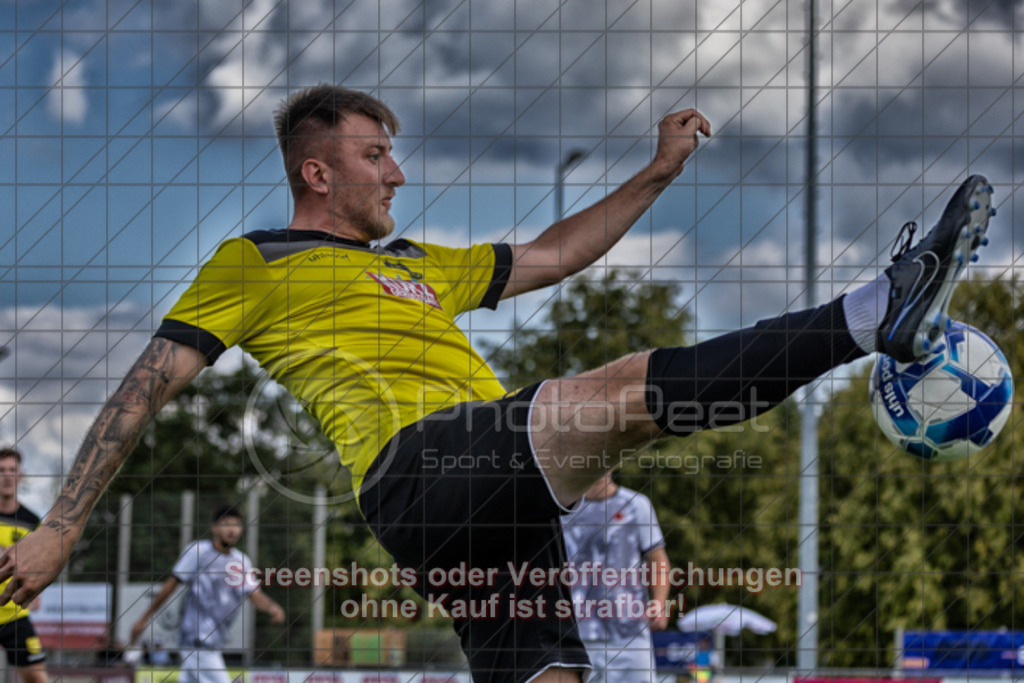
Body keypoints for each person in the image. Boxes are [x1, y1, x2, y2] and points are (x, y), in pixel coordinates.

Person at [0, 84, 995, 683]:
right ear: (315, 172)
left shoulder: (425, 265)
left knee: (547, 671)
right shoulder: (254, 259)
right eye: (374, 153)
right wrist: (62, 524)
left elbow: (556, 251)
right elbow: (146, 385)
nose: (395, 171)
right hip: (418, 465)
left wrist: (655, 173)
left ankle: (871, 314)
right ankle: (871, 312)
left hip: (499, 505)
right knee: (600, 393)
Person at [129, 505, 285, 683]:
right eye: (226, 524)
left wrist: (272, 607)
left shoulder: (241, 561)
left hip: (215, 642)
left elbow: (254, 594)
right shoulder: (199, 552)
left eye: (236, 524)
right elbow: (171, 585)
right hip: (197, 639)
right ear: (215, 528)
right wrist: (144, 618)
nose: (232, 529)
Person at [562, 472, 669, 683]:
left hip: (630, 634)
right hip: (575, 636)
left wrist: (659, 602)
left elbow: (658, 559)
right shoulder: (563, 509)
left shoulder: (636, 505)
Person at [0, 448, 47, 683]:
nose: (7, 476)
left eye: (12, 470)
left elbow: (41, 563)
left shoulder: (31, 521)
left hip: (15, 615)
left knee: (38, 679)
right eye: (1, 471)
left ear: (21, 476)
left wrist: (37, 587)